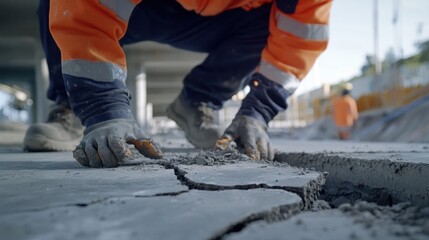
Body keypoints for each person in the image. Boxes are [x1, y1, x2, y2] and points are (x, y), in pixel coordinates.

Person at [24, 0, 332, 167]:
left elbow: (298, 41)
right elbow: (83, 11)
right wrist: (102, 109)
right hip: (145, 8)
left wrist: (257, 112)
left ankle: (195, 103)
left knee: (270, 24)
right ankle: (72, 108)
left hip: (224, 16)